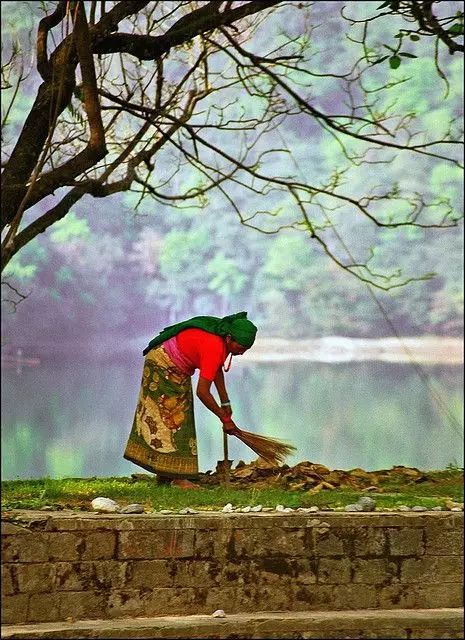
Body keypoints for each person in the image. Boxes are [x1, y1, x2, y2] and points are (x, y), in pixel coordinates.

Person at [124, 311, 257, 488]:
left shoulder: (221, 340)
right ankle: (178, 479)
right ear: (229, 338)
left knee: (176, 416)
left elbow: (215, 369)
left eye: (245, 350)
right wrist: (224, 419)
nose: (241, 353)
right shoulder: (214, 346)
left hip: (175, 366)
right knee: (175, 419)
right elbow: (202, 392)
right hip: (163, 364)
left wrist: (225, 402)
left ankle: (166, 475)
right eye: (240, 348)